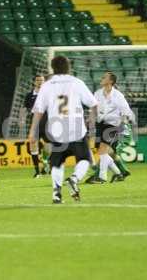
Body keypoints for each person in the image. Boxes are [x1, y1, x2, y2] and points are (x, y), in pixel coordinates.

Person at [29, 56, 98, 204]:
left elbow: (38, 111)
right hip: (77, 129)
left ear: (53, 68)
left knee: (57, 162)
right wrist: (91, 121)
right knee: (85, 159)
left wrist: (33, 131)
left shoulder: (47, 85)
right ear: (68, 67)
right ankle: (74, 179)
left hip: (57, 130)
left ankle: (56, 194)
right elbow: (93, 104)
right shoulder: (77, 82)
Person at [85, 71, 135, 184]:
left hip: (113, 125)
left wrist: (121, 125)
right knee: (105, 152)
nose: (101, 77)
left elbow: (126, 111)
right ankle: (119, 173)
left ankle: (101, 178)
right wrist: (90, 123)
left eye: (104, 77)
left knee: (103, 149)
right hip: (101, 124)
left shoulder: (118, 95)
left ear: (111, 81)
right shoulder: (97, 93)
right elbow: (93, 109)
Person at [22, 75, 51, 178]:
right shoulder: (29, 95)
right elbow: (25, 109)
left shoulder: (48, 94)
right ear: (34, 82)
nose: (39, 82)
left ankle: (45, 161)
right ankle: (37, 171)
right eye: (37, 80)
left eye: (41, 80)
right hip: (34, 124)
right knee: (33, 144)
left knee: (48, 146)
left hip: (47, 123)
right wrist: (21, 119)